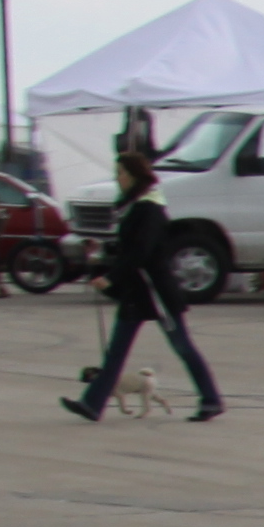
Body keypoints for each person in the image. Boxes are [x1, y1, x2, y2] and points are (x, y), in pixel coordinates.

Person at [65, 135, 224, 423]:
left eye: (121, 173)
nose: (118, 179)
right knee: (116, 352)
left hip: (156, 291)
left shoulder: (149, 209)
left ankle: (211, 399)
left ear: (134, 176)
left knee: (182, 347)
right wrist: (101, 261)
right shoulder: (134, 206)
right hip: (137, 292)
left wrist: (111, 278)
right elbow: (129, 249)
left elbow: (141, 251)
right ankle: (92, 404)